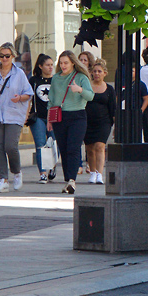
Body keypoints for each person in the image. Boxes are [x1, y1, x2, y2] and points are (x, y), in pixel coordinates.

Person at [0, 42, 34, 193]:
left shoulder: (19, 74)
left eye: (7, 56)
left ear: (13, 56)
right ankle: (3, 179)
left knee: (10, 146)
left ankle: (16, 172)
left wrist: (20, 97)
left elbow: (29, 93)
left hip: (14, 113)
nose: (4, 59)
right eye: (1, 56)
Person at [49, 50, 95, 194]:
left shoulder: (81, 77)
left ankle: (72, 181)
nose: (63, 65)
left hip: (77, 116)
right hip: (59, 116)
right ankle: (68, 179)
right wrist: (49, 119)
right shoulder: (56, 78)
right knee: (63, 148)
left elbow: (90, 96)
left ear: (73, 63)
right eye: (61, 63)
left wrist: (79, 89)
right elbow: (51, 99)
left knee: (73, 148)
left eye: (66, 63)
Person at [84, 59, 117, 184]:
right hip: (87, 121)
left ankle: (100, 174)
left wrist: (116, 125)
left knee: (100, 146)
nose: (97, 74)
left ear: (105, 73)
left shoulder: (109, 89)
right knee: (90, 148)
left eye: (99, 71)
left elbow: (113, 108)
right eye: (95, 71)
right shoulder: (86, 86)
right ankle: (92, 173)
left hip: (104, 122)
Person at [28, 53, 58, 183]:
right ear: (40, 66)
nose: (51, 67)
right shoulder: (34, 81)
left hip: (54, 116)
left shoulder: (57, 80)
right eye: (47, 65)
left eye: (52, 65)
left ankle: (52, 167)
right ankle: (43, 173)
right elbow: (28, 98)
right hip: (38, 117)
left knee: (54, 144)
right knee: (40, 144)